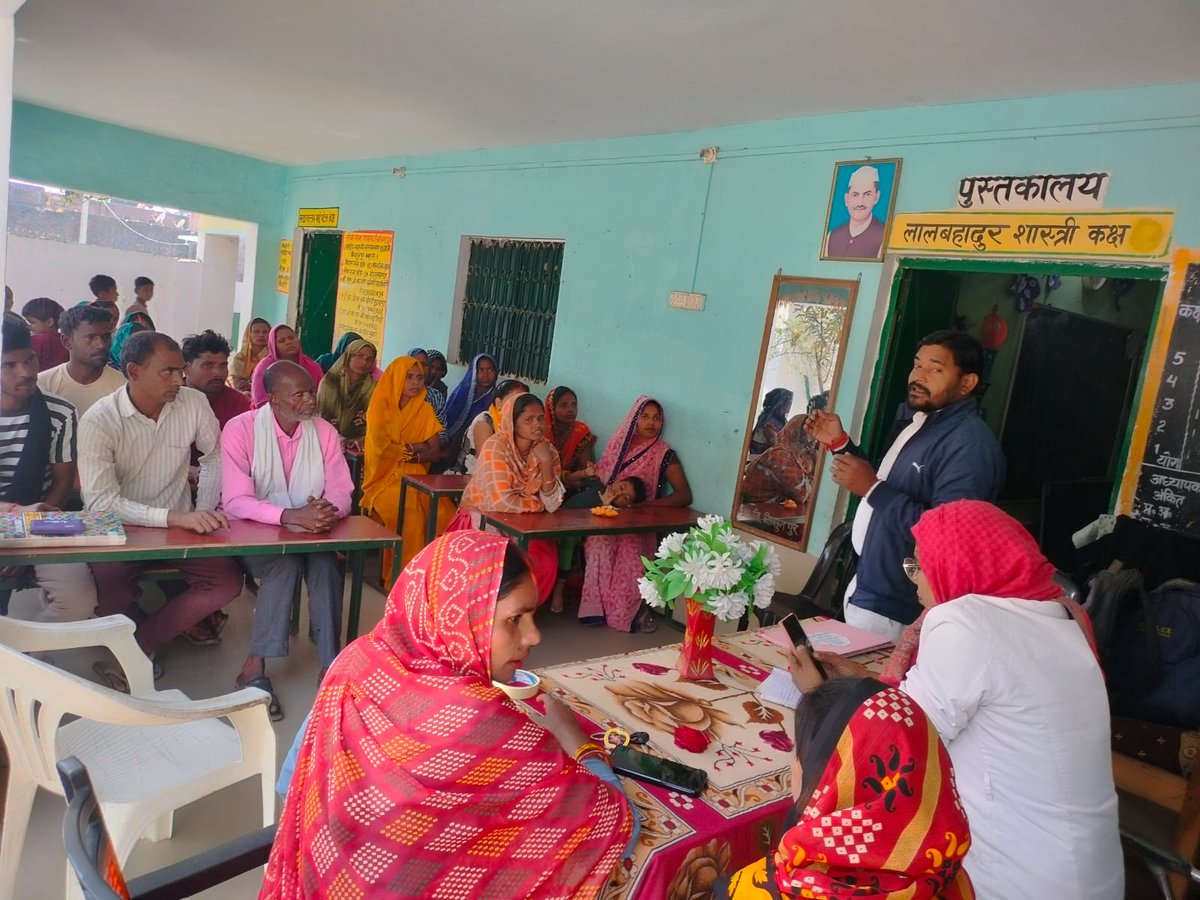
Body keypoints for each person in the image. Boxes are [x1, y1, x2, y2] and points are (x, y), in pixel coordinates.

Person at [259, 530, 635, 898]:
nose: (534, 636)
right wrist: (574, 740)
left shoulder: (359, 659)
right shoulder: (478, 720)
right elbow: (613, 824)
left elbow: (292, 780)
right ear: (460, 620)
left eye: (532, 615)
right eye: (515, 619)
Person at [801, 501, 1122, 900]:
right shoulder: (1058, 616)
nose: (914, 582)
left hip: (1009, 880)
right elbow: (952, 704)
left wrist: (819, 695)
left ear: (956, 565)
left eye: (919, 567)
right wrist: (861, 681)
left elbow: (896, 743)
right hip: (1091, 877)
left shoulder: (965, 620)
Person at [804, 330, 1004, 640]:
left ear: (967, 383)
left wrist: (871, 489)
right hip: (869, 584)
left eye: (935, 369)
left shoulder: (969, 446)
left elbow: (947, 536)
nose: (918, 376)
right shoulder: (921, 422)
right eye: (917, 364)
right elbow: (886, 484)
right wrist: (841, 445)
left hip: (898, 607)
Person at [717, 677, 973, 899]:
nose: (791, 763)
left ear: (826, 783)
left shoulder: (763, 888)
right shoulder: (948, 878)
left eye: (798, 752)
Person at [79, 332, 244, 661]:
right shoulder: (99, 420)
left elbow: (214, 458)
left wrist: (203, 512)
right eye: (167, 371)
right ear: (134, 371)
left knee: (227, 582)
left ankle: (138, 647)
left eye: (180, 370)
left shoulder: (193, 403)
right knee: (114, 593)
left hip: (179, 528)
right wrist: (176, 518)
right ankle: (140, 643)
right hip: (116, 530)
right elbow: (101, 503)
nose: (178, 380)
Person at [222, 361, 354, 722]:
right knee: (285, 562)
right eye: (299, 394)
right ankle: (254, 665)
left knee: (327, 562)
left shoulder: (324, 431)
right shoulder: (241, 430)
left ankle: (330, 664)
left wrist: (327, 511)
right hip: (255, 535)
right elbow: (235, 500)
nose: (310, 400)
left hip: (312, 531)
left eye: (311, 391)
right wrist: (289, 516)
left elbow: (341, 490)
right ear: (273, 399)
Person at [0, 314, 96, 621]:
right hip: (19, 516)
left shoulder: (59, 413)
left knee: (79, 601)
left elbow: (62, 483)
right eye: (9, 365)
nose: (26, 372)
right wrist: (13, 522)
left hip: (41, 521)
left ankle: (27, 649)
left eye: (29, 360)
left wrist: (27, 536)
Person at [579, 396, 692, 633]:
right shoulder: (618, 446)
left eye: (656, 418)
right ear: (634, 419)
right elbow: (602, 479)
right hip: (608, 516)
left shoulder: (663, 454)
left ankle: (627, 613)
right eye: (645, 417)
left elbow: (684, 495)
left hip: (639, 524)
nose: (651, 422)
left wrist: (646, 507)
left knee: (630, 551)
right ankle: (596, 610)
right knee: (598, 543)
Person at [451, 393, 563, 605]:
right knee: (497, 562)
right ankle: (491, 612)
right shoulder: (496, 446)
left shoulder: (547, 450)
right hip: (485, 517)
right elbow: (500, 502)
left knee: (545, 560)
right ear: (512, 422)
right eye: (529, 420)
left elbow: (552, 503)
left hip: (523, 521)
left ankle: (521, 611)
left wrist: (546, 463)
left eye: (541, 418)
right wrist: (536, 504)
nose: (537, 425)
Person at [360, 355, 451, 577]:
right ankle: (404, 577)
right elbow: (381, 450)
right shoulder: (379, 408)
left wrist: (407, 452)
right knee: (411, 516)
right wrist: (416, 446)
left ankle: (437, 576)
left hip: (418, 475)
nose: (415, 383)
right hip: (384, 478)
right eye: (409, 377)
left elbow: (434, 451)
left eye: (419, 377)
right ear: (396, 378)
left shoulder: (424, 409)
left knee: (445, 513)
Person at [36, 304, 125, 417]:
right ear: (67, 341)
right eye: (91, 337)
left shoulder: (123, 387)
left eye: (106, 337)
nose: (101, 345)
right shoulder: (44, 385)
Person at [315, 337, 377, 450]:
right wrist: (340, 439)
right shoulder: (330, 382)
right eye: (359, 356)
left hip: (361, 446)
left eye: (369, 359)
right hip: (328, 443)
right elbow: (322, 418)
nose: (364, 362)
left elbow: (376, 421)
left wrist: (364, 439)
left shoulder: (374, 387)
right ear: (348, 356)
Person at [454, 377, 526, 474]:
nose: (520, 406)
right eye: (515, 401)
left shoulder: (518, 424)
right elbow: (487, 461)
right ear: (499, 403)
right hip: (471, 475)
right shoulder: (485, 421)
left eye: (523, 402)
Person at [181, 329, 250, 431]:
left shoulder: (237, 402)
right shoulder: (170, 398)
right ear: (186, 368)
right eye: (208, 365)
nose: (217, 372)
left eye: (223, 366)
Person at [742, 415, 819, 505]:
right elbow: (805, 495)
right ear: (797, 433)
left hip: (768, 507)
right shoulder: (782, 457)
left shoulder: (792, 454)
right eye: (810, 433)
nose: (814, 440)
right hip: (754, 508)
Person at [438, 351, 498, 467]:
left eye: (490, 370)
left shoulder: (496, 400)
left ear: (496, 372)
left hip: (472, 453)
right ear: (473, 371)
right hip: (444, 448)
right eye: (480, 370)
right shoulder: (460, 394)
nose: (485, 375)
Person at [250, 324, 323, 408]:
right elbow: (261, 401)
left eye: (291, 338)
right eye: (282, 341)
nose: (288, 342)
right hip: (269, 412)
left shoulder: (312, 366)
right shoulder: (264, 367)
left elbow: (322, 396)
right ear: (274, 345)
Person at [824, 165, 887, 259]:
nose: (860, 203)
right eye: (855, 195)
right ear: (846, 199)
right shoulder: (832, 236)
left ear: (877, 197)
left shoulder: (885, 236)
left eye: (867, 194)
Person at [545, 385, 597, 492]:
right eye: (563, 405)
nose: (570, 410)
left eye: (574, 405)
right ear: (551, 408)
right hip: (542, 481)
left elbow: (587, 469)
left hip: (569, 484)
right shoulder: (541, 431)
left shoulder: (580, 431)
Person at [21, 297, 69, 371]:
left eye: (32, 322)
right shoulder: (66, 340)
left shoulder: (39, 340)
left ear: (49, 322)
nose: (29, 326)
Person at [229, 317, 271, 395]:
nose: (261, 335)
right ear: (248, 334)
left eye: (265, 332)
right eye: (256, 331)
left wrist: (252, 386)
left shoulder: (273, 357)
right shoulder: (240, 358)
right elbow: (238, 386)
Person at [406, 347, 447, 422]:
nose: (419, 367)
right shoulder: (395, 392)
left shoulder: (436, 397)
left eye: (424, 365)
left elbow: (440, 427)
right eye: (415, 363)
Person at [748, 387, 793, 454]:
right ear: (781, 403)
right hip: (760, 457)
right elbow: (776, 444)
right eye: (788, 402)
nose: (789, 405)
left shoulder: (781, 420)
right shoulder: (768, 420)